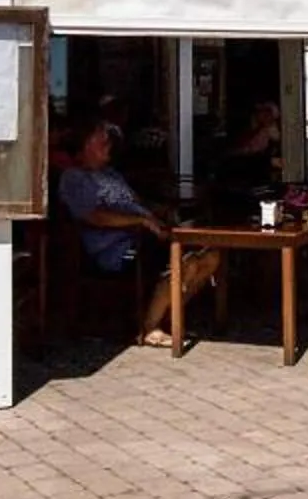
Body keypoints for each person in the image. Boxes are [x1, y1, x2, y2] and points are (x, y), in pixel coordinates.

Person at [57, 121, 205, 347]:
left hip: (144, 234)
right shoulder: (75, 178)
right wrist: (141, 221)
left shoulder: (112, 174)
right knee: (182, 258)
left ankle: (164, 319)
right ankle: (150, 328)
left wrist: (160, 212)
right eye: (102, 141)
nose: (109, 146)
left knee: (206, 257)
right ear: (85, 145)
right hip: (117, 248)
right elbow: (93, 216)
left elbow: (137, 202)